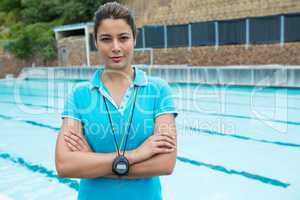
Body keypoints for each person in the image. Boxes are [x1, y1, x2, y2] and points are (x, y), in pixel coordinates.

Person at [55, 2, 178, 200]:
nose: (115, 47)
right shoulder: (79, 95)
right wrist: (136, 155)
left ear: (134, 39)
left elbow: (165, 163)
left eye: (123, 38)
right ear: (95, 42)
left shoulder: (158, 90)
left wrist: (92, 163)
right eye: (106, 39)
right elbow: (64, 165)